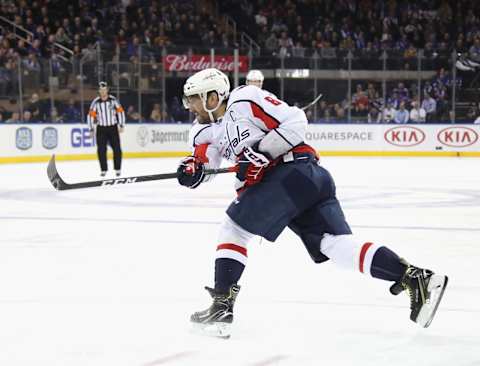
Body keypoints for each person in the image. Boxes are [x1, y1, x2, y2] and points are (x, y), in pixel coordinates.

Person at [177, 68, 448, 338]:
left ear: (213, 97)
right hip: (304, 181)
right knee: (335, 246)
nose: (189, 105)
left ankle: (222, 305)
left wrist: (261, 152)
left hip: (291, 173)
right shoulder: (203, 131)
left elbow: (296, 121)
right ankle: (415, 277)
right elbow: (205, 164)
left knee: (234, 228)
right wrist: (192, 170)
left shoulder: (244, 100)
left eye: (194, 98)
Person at [87, 82, 125, 177]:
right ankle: (103, 169)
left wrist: (121, 124)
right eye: (101, 90)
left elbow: (120, 111)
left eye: (104, 90)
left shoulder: (113, 100)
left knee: (117, 149)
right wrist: (91, 129)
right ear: (99, 91)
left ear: (107, 90)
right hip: (101, 129)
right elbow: (91, 115)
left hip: (112, 128)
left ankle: (118, 169)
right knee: (101, 150)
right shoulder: (96, 102)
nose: (103, 91)